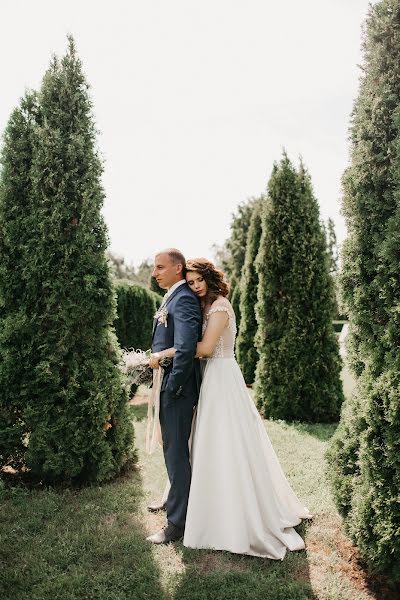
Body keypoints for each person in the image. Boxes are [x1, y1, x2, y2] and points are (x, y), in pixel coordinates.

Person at [148, 258, 311, 559]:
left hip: (222, 377)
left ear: (211, 279)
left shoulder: (221, 306)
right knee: (206, 443)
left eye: (200, 281)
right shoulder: (203, 306)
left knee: (228, 441)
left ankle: (235, 507)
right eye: (192, 281)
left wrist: (166, 352)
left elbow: (207, 349)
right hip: (208, 379)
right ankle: (200, 500)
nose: (196, 286)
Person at [146, 249, 202, 545]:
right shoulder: (172, 297)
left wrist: (174, 386)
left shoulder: (183, 299)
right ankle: (174, 501)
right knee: (172, 449)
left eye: (160, 267)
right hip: (167, 383)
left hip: (177, 389)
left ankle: (177, 523)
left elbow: (185, 347)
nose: (154, 273)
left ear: (178, 268)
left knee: (176, 453)